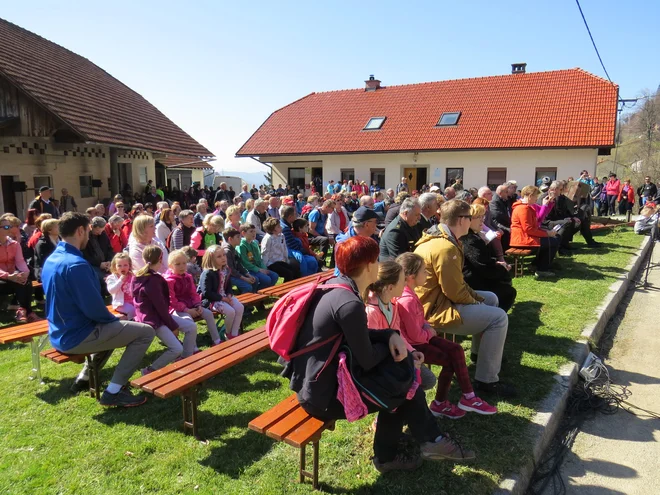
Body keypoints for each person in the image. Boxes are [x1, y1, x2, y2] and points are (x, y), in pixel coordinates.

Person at [283, 235, 474, 473]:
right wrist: (393, 343)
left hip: (314, 384)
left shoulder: (334, 288)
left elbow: (361, 338)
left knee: (401, 385)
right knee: (400, 387)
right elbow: (368, 359)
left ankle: (412, 447)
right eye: (376, 259)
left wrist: (389, 335)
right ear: (368, 266)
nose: (380, 263)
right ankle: (424, 443)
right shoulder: (349, 304)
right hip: (323, 397)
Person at [42, 212, 154, 406]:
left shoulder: (52, 260)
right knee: (145, 332)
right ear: (80, 231)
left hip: (58, 332)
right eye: (87, 231)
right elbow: (94, 309)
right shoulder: (76, 264)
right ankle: (114, 391)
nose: (89, 236)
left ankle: (84, 378)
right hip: (76, 336)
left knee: (114, 330)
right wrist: (115, 322)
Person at [414, 199, 515, 397]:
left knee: (492, 299)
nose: (475, 221)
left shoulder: (442, 239)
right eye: (471, 217)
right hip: (434, 310)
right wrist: (476, 301)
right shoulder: (445, 247)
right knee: (499, 317)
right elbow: (454, 292)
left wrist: (478, 298)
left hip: (435, 302)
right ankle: (487, 380)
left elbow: (457, 286)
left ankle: (479, 354)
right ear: (461, 220)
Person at [395, 252, 497, 418]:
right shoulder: (406, 300)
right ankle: (441, 403)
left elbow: (421, 321)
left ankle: (467, 397)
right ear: (412, 276)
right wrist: (429, 331)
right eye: (424, 272)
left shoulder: (412, 294)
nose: (427, 275)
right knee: (450, 360)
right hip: (416, 346)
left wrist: (427, 328)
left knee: (456, 349)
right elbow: (415, 337)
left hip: (424, 337)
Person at [364, 261, 437, 393]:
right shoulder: (371, 312)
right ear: (390, 288)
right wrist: (404, 360)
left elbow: (398, 334)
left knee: (427, 381)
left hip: (397, 357)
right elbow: (373, 350)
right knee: (419, 386)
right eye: (403, 280)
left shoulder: (392, 304)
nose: (405, 283)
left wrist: (412, 351)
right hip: (383, 366)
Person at [133, 245, 198, 375]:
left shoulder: (140, 276)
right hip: (153, 320)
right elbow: (160, 308)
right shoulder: (153, 280)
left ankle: (185, 360)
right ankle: (149, 370)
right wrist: (172, 325)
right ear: (161, 258)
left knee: (191, 327)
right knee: (176, 348)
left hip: (160, 316)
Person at [461, 204, 517, 312]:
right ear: (468, 220)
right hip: (472, 283)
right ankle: (495, 318)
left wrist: (497, 264)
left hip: (475, 278)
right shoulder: (470, 239)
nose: (483, 219)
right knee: (508, 292)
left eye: (483, 216)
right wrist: (502, 269)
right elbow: (483, 267)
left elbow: (483, 261)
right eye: (479, 217)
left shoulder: (473, 236)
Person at [165, 249, 221, 345]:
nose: (182, 266)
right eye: (177, 264)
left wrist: (198, 305)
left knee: (208, 313)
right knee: (189, 320)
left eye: (184, 263)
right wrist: (187, 310)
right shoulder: (169, 281)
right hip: (176, 309)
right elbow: (172, 301)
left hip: (191, 305)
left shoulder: (188, 277)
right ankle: (193, 347)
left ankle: (216, 340)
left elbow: (193, 293)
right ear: (170, 266)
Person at [511, 186, 560, 277]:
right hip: (522, 239)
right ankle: (542, 269)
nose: (537, 199)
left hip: (525, 237)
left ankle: (537, 265)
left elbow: (535, 224)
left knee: (552, 240)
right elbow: (528, 229)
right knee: (552, 241)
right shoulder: (523, 208)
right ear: (530, 196)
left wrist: (547, 233)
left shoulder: (527, 207)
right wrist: (546, 234)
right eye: (535, 197)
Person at [198, 245, 245, 340]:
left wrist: (229, 295)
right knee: (230, 312)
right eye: (219, 256)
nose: (223, 258)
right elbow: (207, 292)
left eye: (224, 255)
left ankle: (234, 333)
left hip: (225, 297)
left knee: (240, 307)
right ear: (211, 259)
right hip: (213, 300)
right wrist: (223, 299)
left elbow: (228, 286)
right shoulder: (208, 273)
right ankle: (227, 333)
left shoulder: (226, 270)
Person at [0, 216, 40, 322]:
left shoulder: (15, 244)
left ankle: (24, 311)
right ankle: (28, 311)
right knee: (20, 282)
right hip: (3, 277)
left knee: (25, 281)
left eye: (10, 226)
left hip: (12, 276)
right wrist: (8, 276)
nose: (9, 229)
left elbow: (20, 261)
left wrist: (25, 272)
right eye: (6, 227)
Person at [236, 223, 279, 290]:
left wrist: (264, 268)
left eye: (254, 231)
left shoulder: (254, 243)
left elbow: (259, 259)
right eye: (251, 231)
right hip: (249, 270)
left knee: (274, 276)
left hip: (257, 268)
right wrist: (259, 270)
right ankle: (257, 293)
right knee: (266, 279)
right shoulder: (242, 246)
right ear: (243, 233)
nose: (254, 233)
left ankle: (265, 292)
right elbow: (245, 263)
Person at [261, 217, 300, 282]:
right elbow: (265, 253)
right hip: (271, 263)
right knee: (288, 274)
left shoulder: (281, 236)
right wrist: (265, 266)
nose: (281, 227)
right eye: (278, 227)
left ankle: (297, 287)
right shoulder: (268, 238)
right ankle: (286, 289)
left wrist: (286, 259)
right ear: (273, 230)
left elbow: (284, 248)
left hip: (280, 260)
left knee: (295, 269)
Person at [222, 228, 258, 293]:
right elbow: (231, 270)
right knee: (247, 287)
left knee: (255, 280)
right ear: (230, 239)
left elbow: (239, 265)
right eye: (238, 237)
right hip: (228, 277)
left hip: (235, 274)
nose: (240, 239)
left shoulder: (233, 249)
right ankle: (243, 302)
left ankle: (255, 299)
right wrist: (245, 278)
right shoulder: (226, 252)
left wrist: (248, 275)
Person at [83, 217, 114, 290]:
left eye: (102, 231)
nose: (100, 233)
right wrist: (99, 264)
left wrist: (109, 261)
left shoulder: (103, 234)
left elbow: (109, 249)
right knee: (101, 279)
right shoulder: (85, 237)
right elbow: (85, 255)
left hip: (106, 263)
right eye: (97, 231)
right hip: (93, 265)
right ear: (91, 227)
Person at [106, 252, 136, 320]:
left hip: (133, 300)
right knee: (132, 310)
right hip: (121, 303)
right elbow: (111, 290)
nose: (123, 268)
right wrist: (121, 280)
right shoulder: (112, 278)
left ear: (129, 266)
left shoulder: (132, 276)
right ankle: (131, 324)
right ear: (115, 266)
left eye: (125, 265)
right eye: (119, 265)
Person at [308, 200, 335, 264]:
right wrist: (323, 237)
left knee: (332, 239)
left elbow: (324, 228)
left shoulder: (326, 214)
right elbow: (311, 230)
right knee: (324, 240)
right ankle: (321, 261)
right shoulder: (316, 213)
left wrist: (329, 236)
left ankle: (329, 260)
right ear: (326, 207)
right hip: (311, 236)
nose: (333, 210)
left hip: (320, 235)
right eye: (332, 208)